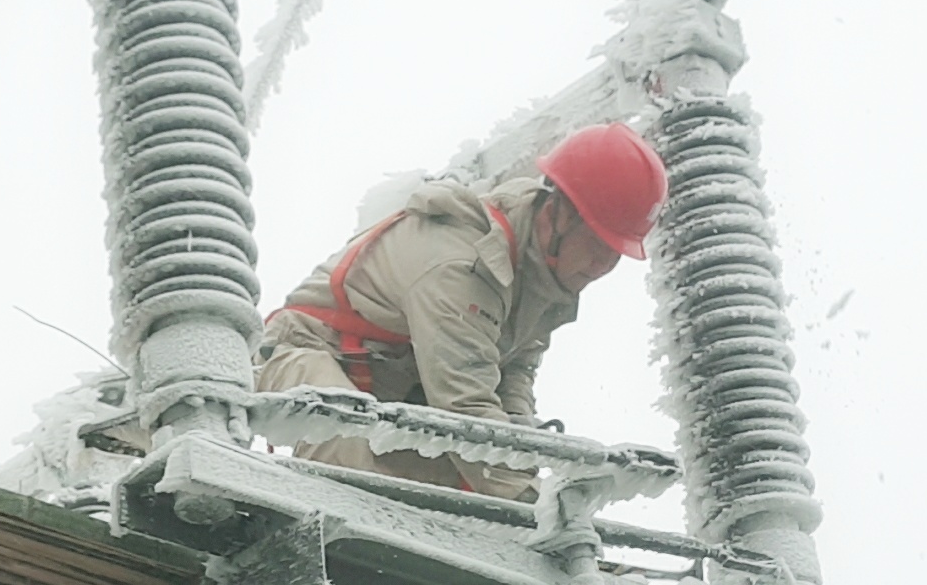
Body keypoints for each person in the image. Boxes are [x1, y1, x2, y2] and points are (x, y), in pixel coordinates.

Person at [254, 121, 670, 500]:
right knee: (342, 444)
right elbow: (463, 405)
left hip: (400, 389)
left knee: (466, 504)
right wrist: (538, 506)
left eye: (615, 252)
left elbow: (513, 370)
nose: (602, 266)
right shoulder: (463, 264)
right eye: (596, 244)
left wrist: (521, 435)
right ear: (558, 213)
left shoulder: (543, 277)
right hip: (308, 356)